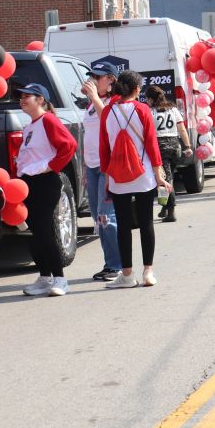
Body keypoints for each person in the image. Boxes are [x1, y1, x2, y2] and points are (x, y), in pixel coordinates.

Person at [100, 70, 172, 288]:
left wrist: (106, 176)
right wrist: (159, 175)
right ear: (137, 89)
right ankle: (148, 271)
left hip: (118, 177)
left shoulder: (107, 112)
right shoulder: (142, 110)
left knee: (123, 225)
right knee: (146, 222)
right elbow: (151, 145)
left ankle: (127, 275)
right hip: (144, 175)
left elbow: (105, 148)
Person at [16, 84, 78, 297]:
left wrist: (48, 166)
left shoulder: (49, 120)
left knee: (44, 230)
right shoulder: (30, 126)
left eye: (27, 96)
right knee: (33, 232)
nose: (22, 99)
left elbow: (69, 145)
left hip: (45, 182)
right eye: (21, 97)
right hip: (30, 183)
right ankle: (44, 276)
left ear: (41, 99)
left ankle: (60, 278)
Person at [80, 62, 121, 282]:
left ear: (111, 80)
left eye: (99, 77)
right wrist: (86, 168)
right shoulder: (91, 105)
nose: (94, 81)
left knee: (107, 216)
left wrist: (95, 97)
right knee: (98, 217)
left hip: (108, 166)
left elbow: (108, 120)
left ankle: (117, 264)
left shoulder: (113, 102)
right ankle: (110, 263)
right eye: (92, 77)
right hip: (93, 167)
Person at [146, 85, 192, 222]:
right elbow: (182, 129)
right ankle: (164, 207)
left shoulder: (150, 111)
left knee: (165, 179)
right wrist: (188, 146)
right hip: (175, 146)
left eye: (147, 98)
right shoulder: (173, 109)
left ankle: (171, 210)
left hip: (160, 147)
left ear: (150, 99)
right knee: (167, 177)